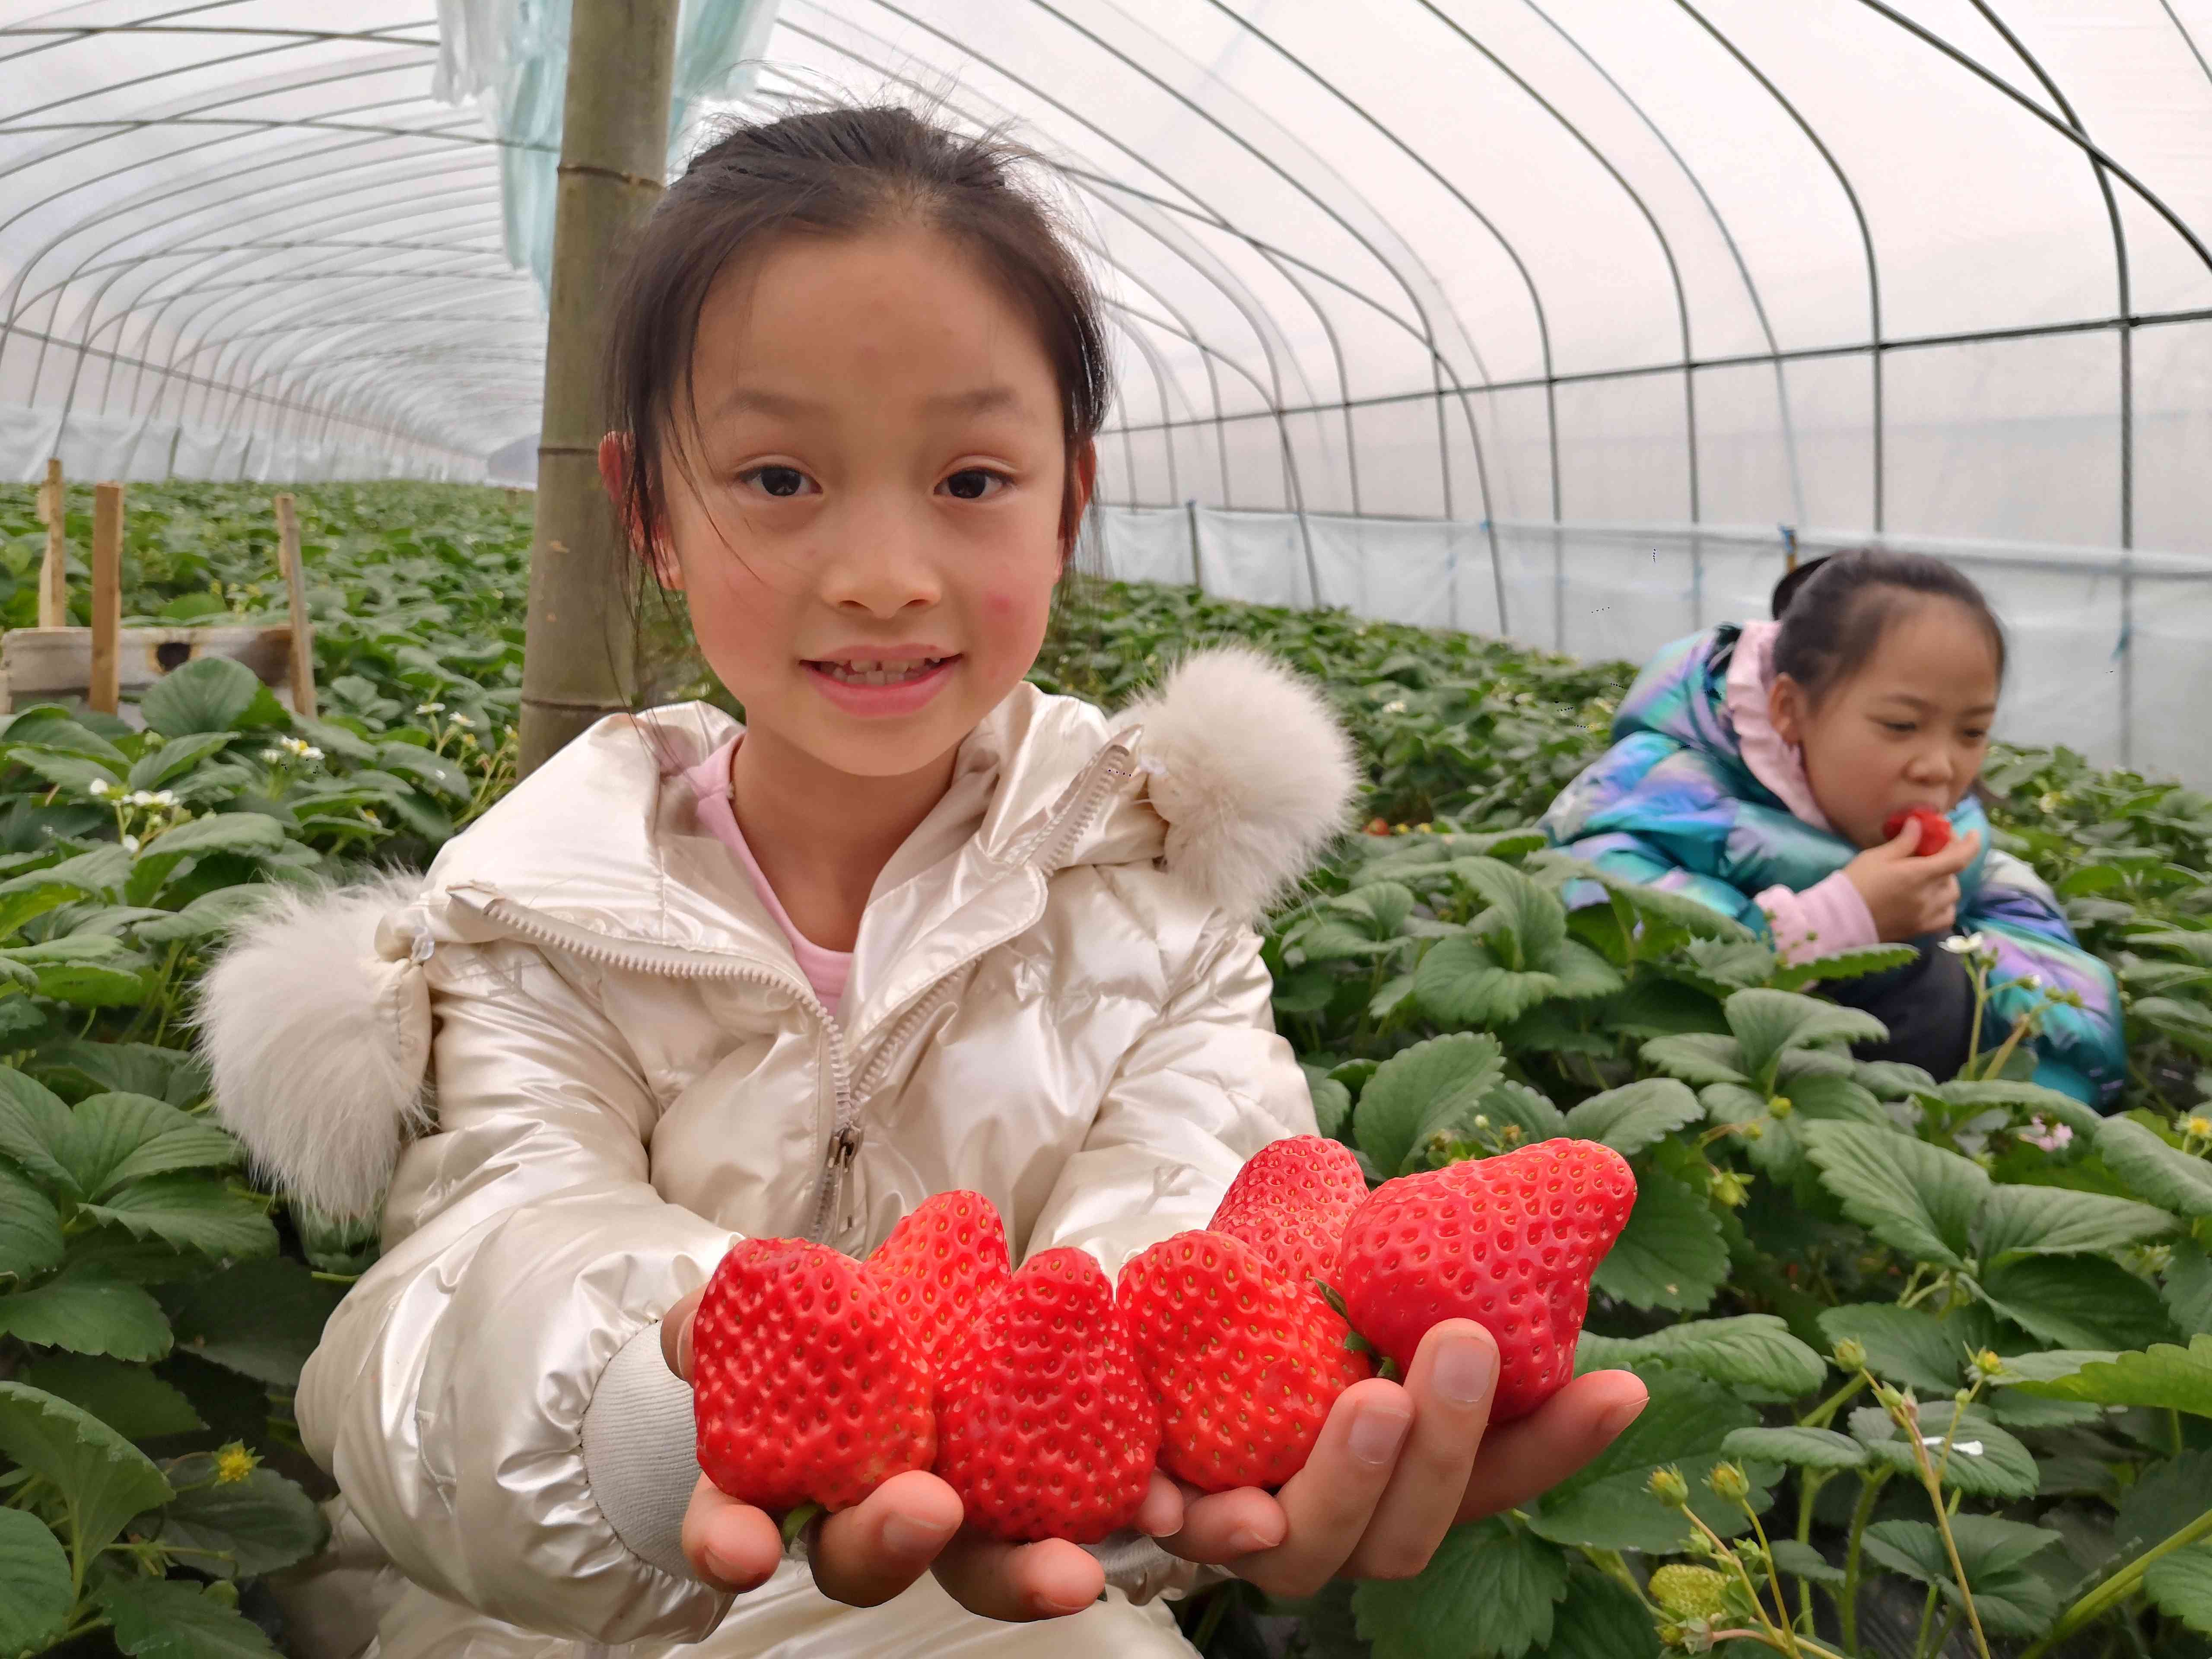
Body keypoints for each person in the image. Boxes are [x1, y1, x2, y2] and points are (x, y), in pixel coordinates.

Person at [196, 105, 1648, 1658]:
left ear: (1069, 500)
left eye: (968, 480)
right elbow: (471, 1282)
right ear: (651, 517)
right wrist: (664, 1407)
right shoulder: (540, 918)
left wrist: (1121, 1457)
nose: (883, 570)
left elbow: (1189, 1240)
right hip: (582, 1608)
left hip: (1023, 1609)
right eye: (775, 476)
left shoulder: (1162, 913)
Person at [1541, 548, 2124, 1106]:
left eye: (1971, 733)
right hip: (1715, 1106)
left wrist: (2035, 1110)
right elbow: (1601, 922)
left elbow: (2049, 970)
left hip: (1871, 1128)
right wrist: (1838, 919)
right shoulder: (1668, 788)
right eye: (1901, 725)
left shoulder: (1962, 838)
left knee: (1933, 972)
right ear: (1789, 710)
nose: (1940, 768)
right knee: (1916, 968)